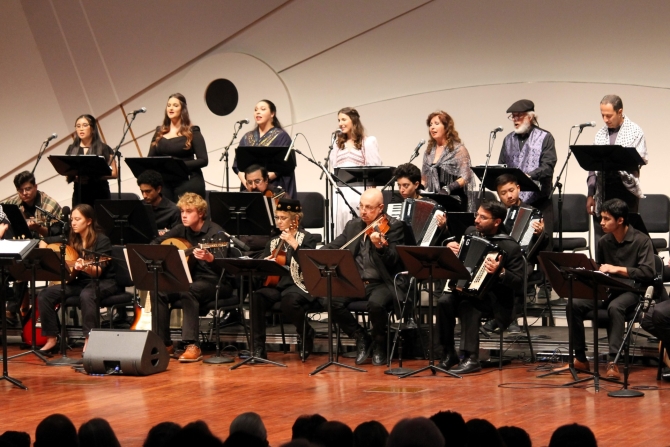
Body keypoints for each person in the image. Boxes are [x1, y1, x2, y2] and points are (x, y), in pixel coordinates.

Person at [570, 198, 654, 379]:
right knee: (574, 304)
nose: (601, 223)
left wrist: (617, 269)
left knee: (615, 307)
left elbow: (648, 272)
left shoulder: (641, 240)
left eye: (607, 219)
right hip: (608, 288)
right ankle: (580, 357)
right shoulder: (604, 242)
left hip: (633, 291)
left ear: (620, 220)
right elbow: (601, 270)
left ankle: (613, 361)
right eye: (601, 218)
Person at [437, 201, 524, 374]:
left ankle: (472, 358)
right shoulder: (470, 233)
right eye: (477, 215)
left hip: (496, 299)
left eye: (482, 217)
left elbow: (519, 282)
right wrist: (448, 249)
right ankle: (448, 353)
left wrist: (501, 272)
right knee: (444, 301)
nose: (476, 220)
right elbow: (458, 260)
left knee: (468, 306)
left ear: (497, 222)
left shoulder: (510, 246)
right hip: (466, 291)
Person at [322, 188, 406, 366]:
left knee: (376, 304)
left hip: (383, 282)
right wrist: (315, 253)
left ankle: (379, 343)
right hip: (357, 282)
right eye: (361, 206)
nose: (363, 211)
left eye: (368, 207)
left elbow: (394, 260)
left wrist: (380, 247)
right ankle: (360, 336)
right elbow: (335, 246)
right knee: (330, 299)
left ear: (380, 208)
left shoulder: (394, 227)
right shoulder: (353, 226)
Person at [152, 192, 232, 362]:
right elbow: (155, 245)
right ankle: (164, 343)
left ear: (201, 213)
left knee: (188, 290)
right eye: (182, 211)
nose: (184, 215)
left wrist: (210, 259)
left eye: (189, 211)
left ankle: (192, 345)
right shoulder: (181, 229)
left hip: (215, 281)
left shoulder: (216, 233)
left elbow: (225, 267)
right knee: (158, 290)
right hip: (189, 278)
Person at [37, 204, 118, 355]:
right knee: (45, 295)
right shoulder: (71, 237)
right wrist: (44, 250)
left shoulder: (102, 240)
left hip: (104, 282)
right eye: (72, 219)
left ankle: (89, 340)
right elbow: (45, 240)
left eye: (77, 219)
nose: (73, 223)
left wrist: (85, 267)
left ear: (88, 221)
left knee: (87, 295)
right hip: (79, 282)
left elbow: (98, 272)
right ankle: (52, 339)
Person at [251, 198, 318, 360]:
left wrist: (295, 245)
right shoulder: (274, 241)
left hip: (299, 285)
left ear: (295, 220)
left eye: (283, 218)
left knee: (289, 300)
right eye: (277, 218)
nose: (279, 222)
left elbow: (310, 266)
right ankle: (258, 348)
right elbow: (262, 266)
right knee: (257, 297)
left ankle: (305, 333)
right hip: (277, 285)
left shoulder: (307, 238)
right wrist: (264, 264)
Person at [483, 173, 548, 333]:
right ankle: (495, 317)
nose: (509, 195)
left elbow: (542, 246)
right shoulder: (495, 213)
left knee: (516, 272)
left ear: (518, 188)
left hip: (523, 259)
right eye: (503, 193)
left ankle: (508, 320)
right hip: (496, 257)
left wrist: (540, 234)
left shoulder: (533, 213)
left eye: (511, 190)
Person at [586, 95, 648, 249]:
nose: (605, 119)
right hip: (604, 190)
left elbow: (639, 159)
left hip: (625, 191)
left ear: (620, 111)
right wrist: (590, 193)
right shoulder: (600, 134)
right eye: (602, 115)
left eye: (609, 115)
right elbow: (593, 167)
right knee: (604, 237)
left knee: (626, 239)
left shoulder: (635, 131)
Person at [498, 99, 556, 248]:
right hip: (514, 204)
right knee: (514, 246)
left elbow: (548, 166)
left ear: (530, 117)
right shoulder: (508, 139)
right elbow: (502, 167)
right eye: (513, 116)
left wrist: (529, 176)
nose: (515, 120)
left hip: (539, 202)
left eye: (519, 116)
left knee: (542, 247)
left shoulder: (545, 137)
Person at [330, 107, 382, 235]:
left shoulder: (367, 142)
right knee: (340, 224)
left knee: (357, 224)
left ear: (353, 120)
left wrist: (371, 197)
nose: (340, 123)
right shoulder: (337, 144)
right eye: (339, 120)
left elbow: (373, 171)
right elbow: (333, 168)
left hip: (358, 191)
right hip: (340, 192)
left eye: (343, 119)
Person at [148, 93, 208, 201]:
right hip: (165, 183)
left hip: (188, 181)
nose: (171, 108)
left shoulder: (192, 131)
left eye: (175, 105)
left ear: (182, 109)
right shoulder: (159, 132)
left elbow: (203, 160)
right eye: (169, 105)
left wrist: (177, 165)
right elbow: (150, 159)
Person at [233, 99, 296, 198]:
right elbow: (237, 165)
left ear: (272, 114)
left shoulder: (282, 136)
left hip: (273, 186)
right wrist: (249, 182)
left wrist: (262, 181)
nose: (258, 112)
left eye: (262, 109)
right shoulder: (247, 137)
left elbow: (285, 165)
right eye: (256, 110)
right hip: (250, 187)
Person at [421, 110, 474, 212]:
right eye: (430, 124)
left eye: (436, 124)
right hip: (436, 201)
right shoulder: (428, 151)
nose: (432, 127)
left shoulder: (458, 149)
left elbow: (466, 176)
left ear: (446, 127)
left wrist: (448, 188)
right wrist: (418, 189)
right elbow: (424, 178)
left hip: (454, 200)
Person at [65, 114, 118, 207]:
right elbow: (67, 173)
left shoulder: (104, 148)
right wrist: (76, 178)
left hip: (100, 194)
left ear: (93, 129)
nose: (81, 129)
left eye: (85, 125)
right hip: (79, 195)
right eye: (78, 126)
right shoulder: (72, 149)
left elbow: (114, 173)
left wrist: (93, 177)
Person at [4, 170, 62, 238]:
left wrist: (38, 228)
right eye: (20, 190)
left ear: (35, 187)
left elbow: (57, 234)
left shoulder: (50, 206)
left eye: (28, 189)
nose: (24, 193)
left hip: (46, 244)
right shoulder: (13, 203)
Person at [393, 162, 447, 234]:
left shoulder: (431, 204)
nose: (401, 190)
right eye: (399, 186)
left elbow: (442, 234)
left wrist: (443, 226)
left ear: (416, 184)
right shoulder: (396, 204)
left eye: (405, 185)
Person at [137, 169, 181, 236]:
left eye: (148, 191)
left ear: (158, 189)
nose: (144, 195)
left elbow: (177, 236)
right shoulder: (138, 207)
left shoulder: (173, 210)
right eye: (142, 191)